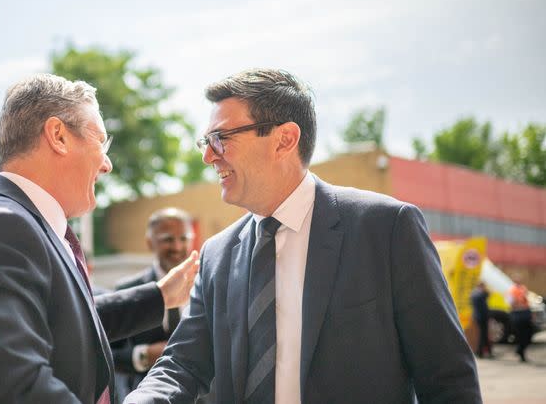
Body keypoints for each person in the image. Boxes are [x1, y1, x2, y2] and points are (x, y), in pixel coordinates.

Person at [127, 68, 481, 404]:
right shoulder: (217, 254)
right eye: (206, 141)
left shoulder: (386, 228)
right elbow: (184, 363)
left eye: (220, 139)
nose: (207, 156)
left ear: (284, 139)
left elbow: (446, 375)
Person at [0, 74, 199, 404]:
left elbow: (63, 322)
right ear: (58, 136)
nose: (107, 164)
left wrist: (161, 296)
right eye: (100, 142)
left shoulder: (14, 224)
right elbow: (14, 388)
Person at [112, 208, 196, 396]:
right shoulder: (129, 289)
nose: (177, 246)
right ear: (150, 243)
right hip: (146, 394)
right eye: (167, 239)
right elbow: (108, 354)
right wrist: (144, 355)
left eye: (183, 238)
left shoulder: (206, 284)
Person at [509, 279, 533, 362]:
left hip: (525, 313)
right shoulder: (512, 290)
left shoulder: (523, 288)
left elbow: (527, 300)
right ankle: (521, 353)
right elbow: (511, 303)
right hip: (518, 314)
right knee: (520, 335)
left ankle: (519, 350)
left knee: (529, 334)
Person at [470, 281, 492, 358]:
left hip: (477, 316)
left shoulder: (473, 293)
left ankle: (485, 351)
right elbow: (488, 294)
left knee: (483, 334)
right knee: (483, 334)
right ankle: (481, 352)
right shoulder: (480, 294)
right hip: (482, 316)